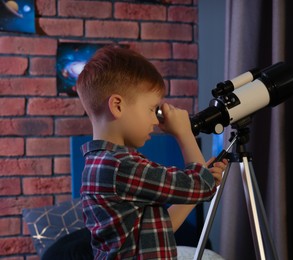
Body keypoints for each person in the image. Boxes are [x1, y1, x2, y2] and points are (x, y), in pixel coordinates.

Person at [76, 45, 227, 259]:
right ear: (117, 105)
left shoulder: (103, 163)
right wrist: (184, 133)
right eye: (151, 109)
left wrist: (197, 187)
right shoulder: (121, 166)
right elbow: (202, 186)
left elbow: (156, 230)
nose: (156, 120)